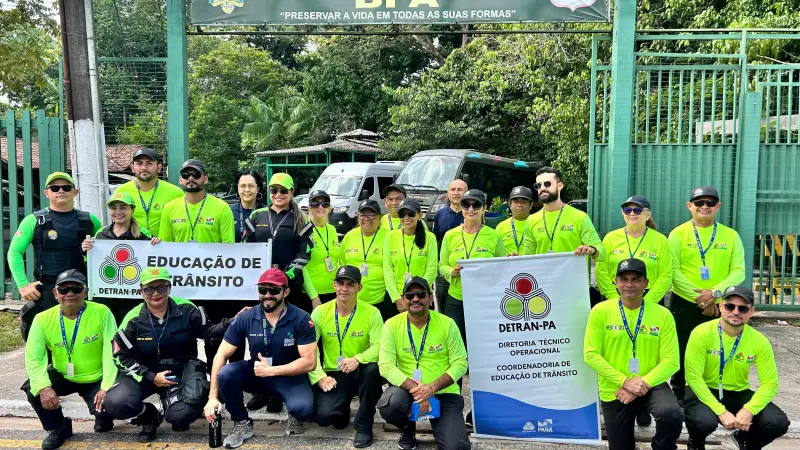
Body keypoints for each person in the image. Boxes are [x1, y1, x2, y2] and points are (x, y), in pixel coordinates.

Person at [103, 267, 241, 442]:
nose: (155, 293)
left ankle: (175, 408)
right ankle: (149, 418)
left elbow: (209, 331)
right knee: (115, 403)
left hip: (179, 371)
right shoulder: (132, 318)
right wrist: (151, 377)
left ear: (169, 288)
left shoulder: (187, 308)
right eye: (149, 289)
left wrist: (234, 322)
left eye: (161, 287)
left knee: (181, 417)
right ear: (141, 291)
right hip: (144, 372)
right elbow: (119, 356)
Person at [203, 268, 317, 448]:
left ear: (286, 292)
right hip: (257, 372)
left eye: (274, 290)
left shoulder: (301, 318)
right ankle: (241, 423)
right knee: (225, 374)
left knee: (303, 410)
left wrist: (272, 371)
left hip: (289, 375)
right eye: (263, 290)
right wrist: (212, 397)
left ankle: (292, 412)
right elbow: (221, 354)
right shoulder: (247, 317)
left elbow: (310, 362)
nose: (267, 295)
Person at [583, 259, 682, 450]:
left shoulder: (662, 314)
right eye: (624, 279)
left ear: (646, 283)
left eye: (636, 279)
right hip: (615, 387)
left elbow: (671, 361)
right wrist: (625, 382)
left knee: (671, 414)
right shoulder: (600, 311)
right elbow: (590, 354)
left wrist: (640, 383)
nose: (629, 284)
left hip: (651, 382)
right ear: (616, 282)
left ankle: (661, 447)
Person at [684, 285, 790, 450]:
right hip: (704, 390)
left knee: (777, 422)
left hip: (738, 392)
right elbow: (693, 377)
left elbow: (770, 383)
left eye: (742, 308)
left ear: (751, 311)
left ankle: (746, 441)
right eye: (730, 306)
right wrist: (721, 411)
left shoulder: (759, 341)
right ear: (721, 307)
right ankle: (696, 443)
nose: (736, 311)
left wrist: (749, 409)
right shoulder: (701, 333)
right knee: (702, 422)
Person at [22, 270, 117, 449]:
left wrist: (106, 386)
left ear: (86, 292)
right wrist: (43, 387)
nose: (70, 294)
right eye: (64, 290)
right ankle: (59, 426)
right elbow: (34, 358)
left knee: (108, 410)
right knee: (33, 389)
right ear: (55, 293)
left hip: (95, 376)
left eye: (76, 288)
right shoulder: (41, 319)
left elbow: (111, 352)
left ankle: (104, 418)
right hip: (63, 374)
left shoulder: (102, 312)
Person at [668, 186, 745, 402]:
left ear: (718, 206)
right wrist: (701, 298)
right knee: (683, 346)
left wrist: (715, 293)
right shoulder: (678, 234)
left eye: (710, 203)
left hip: (721, 303)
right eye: (699, 202)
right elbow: (673, 271)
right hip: (686, 302)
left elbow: (738, 271)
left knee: (717, 347)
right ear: (689, 206)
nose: (704, 207)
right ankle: (679, 393)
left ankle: (710, 393)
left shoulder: (731, 236)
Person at [377, 276, 470, 450]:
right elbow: (386, 366)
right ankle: (407, 428)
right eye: (410, 295)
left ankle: (441, 425)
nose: (415, 299)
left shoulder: (447, 324)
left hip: (444, 393)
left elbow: (460, 363)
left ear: (430, 297)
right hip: (407, 393)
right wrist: (419, 391)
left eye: (421, 294)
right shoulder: (391, 325)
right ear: (403, 299)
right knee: (390, 404)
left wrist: (431, 388)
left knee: (456, 447)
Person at [8, 171, 103, 340]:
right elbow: (14, 252)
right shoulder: (34, 221)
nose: (61, 191)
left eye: (66, 187)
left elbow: (106, 249)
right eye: (55, 187)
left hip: (82, 288)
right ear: (46, 193)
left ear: (75, 192)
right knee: (45, 337)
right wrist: (23, 285)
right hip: (48, 289)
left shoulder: (90, 220)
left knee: (86, 336)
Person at [308, 266, 384, 448]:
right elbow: (309, 349)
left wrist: (358, 359)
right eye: (340, 283)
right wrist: (320, 377)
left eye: (350, 284)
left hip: (360, 371)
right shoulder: (320, 312)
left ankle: (364, 427)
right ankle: (341, 410)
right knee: (325, 417)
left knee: (372, 370)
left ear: (359, 287)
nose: (344, 288)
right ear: (334, 285)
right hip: (334, 374)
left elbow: (380, 347)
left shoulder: (372, 313)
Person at [81, 191, 162, 324]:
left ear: (132, 209)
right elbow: (90, 265)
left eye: (123, 207)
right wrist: (85, 250)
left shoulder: (144, 235)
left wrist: (158, 245)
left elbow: (154, 262)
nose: (118, 212)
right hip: (104, 297)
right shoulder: (101, 233)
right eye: (113, 208)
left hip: (132, 299)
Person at [439, 189, 505, 348]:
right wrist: (452, 272)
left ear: (484, 208)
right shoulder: (450, 235)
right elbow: (442, 266)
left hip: (483, 299)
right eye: (466, 205)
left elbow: (501, 267)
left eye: (476, 205)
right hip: (456, 297)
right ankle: (459, 373)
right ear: (461, 208)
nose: (470, 209)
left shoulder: (493, 235)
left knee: (482, 342)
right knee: (456, 342)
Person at [242, 173, 314, 313]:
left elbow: (304, 253)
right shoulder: (256, 215)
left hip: (289, 283)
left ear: (292, 192)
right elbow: (245, 247)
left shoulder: (302, 219)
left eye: (284, 190)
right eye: (274, 190)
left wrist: (286, 276)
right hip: (260, 280)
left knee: (288, 322)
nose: (278, 194)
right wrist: (256, 273)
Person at [596, 196, 672, 305]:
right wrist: (614, 298)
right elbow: (601, 271)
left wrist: (647, 302)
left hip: (650, 297)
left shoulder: (660, 240)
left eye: (637, 210)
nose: (632, 213)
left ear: (648, 215)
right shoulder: (610, 238)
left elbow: (665, 275)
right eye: (627, 210)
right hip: (615, 296)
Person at [522, 167, 604, 261]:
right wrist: (513, 260)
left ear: (560, 185)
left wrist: (592, 250)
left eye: (547, 184)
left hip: (573, 275)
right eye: (538, 185)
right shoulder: (531, 220)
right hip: (543, 275)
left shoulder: (579, 217)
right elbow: (527, 258)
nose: (543, 188)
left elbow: (602, 254)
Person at [159, 159, 235, 243]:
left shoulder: (222, 207)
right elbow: (166, 247)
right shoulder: (169, 208)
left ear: (205, 179)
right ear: (180, 180)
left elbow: (228, 247)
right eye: (186, 175)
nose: (191, 178)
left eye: (196, 174)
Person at [113, 147, 184, 237]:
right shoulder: (121, 192)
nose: (144, 167)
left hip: (165, 247)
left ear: (159, 167)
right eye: (139, 163)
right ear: (132, 168)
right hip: (133, 247)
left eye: (149, 163)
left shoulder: (176, 193)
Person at [340, 200, 393, 320]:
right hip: (352, 299)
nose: (367, 218)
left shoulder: (390, 236)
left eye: (371, 214)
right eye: (363, 214)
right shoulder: (349, 236)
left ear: (380, 217)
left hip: (380, 299)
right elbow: (342, 265)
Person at [383, 198, 437, 316]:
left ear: (419, 215)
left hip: (421, 297)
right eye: (402, 214)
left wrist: (417, 295)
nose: (406, 217)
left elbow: (431, 270)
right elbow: (387, 270)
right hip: (396, 296)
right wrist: (397, 298)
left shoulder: (430, 238)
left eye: (411, 213)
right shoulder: (391, 236)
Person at [432, 179, 467, 311]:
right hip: (444, 271)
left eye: (460, 190)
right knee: (443, 308)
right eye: (453, 190)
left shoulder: (472, 213)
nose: (456, 193)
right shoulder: (440, 214)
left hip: (466, 270)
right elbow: (435, 240)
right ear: (448, 193)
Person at [304, 190, 341, 309]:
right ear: (309, 207)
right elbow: (301, 268)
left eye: (324, 203)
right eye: (315, 203)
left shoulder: (332, 230)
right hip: (312, 295)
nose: (320, 207)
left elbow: (336, 261)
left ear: (329, 207)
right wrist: (314, 297)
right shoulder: (304, 230)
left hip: (333, 291)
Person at [495, 186, 534, 256]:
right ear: (510, 204)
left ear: (531, 205)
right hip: (507, 265)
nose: (519, 205)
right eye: (516, 201)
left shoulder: (537, 223)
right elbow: (495, 253)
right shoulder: (501, 227)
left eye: (524, 201)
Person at [230, 169, 266, 243]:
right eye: (242, 186)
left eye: (251, 186)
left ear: (258, 188)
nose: (247, 190)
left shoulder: (267, 212)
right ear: (237, 188)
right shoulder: (228, 212)